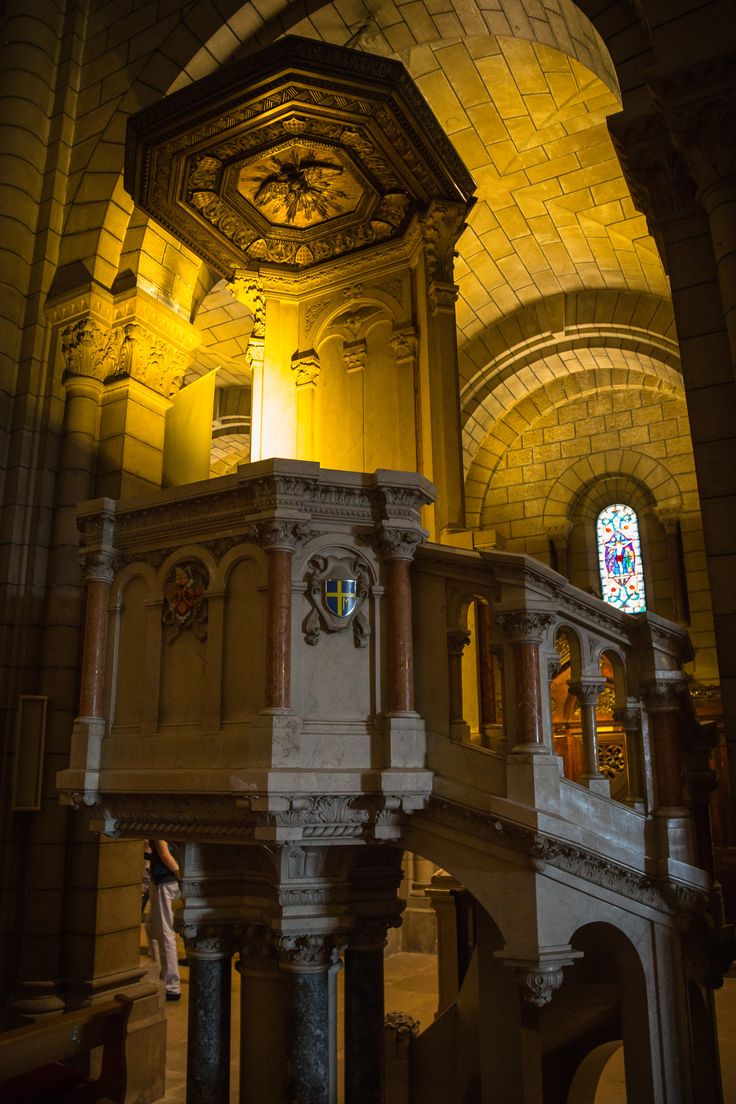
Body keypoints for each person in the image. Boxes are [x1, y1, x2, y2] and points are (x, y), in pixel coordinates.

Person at [148, 839, 182, 1002]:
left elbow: (164, 853)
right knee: (152, 926)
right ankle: (161, 973)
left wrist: (181, 876)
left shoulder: (159, 825)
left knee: (165, 932)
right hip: (167, 880)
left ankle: (171, 986)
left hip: (165, 880)